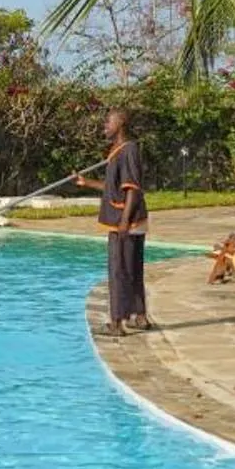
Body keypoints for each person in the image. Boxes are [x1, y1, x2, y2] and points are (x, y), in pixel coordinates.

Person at [74, 109, 150, 335]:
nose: (104, 125)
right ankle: (140, 317)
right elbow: (113, 187)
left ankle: (117, 323)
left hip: (124, 221)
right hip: (131, 220)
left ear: (121, 122)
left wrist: (124, 222)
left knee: (119, 271)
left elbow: (133, 189)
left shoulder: (128, 151)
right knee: (133, 270)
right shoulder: (119, 151)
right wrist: (86, 182)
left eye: (108, 121)